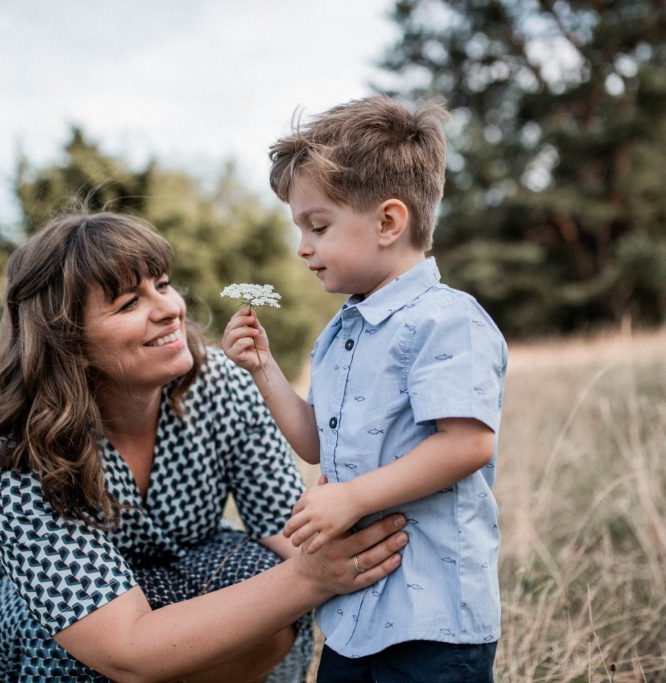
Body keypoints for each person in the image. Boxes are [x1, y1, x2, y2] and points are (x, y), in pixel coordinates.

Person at [0, 211, 409, 683]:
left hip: (170, 578)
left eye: (162, 283)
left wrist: (364, 542)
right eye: (128, 304)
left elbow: (290, 534)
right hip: (29, 622)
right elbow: (123, 648)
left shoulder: (222, 383)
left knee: (263, 579)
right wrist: (311, 578)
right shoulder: (21, 456)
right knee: (64, 640)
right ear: (67, 340)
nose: (169, 309)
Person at [222, 96, 507, 682]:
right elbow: (316, 443)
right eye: (299, 227)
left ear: (387, 222)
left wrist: (352, 499)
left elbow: (468, 444)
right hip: (354, 610)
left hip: (433, 615)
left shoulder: (446, 320)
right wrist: (263, 369)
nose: (302, 247)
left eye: (317, 226)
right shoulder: (339, 335)